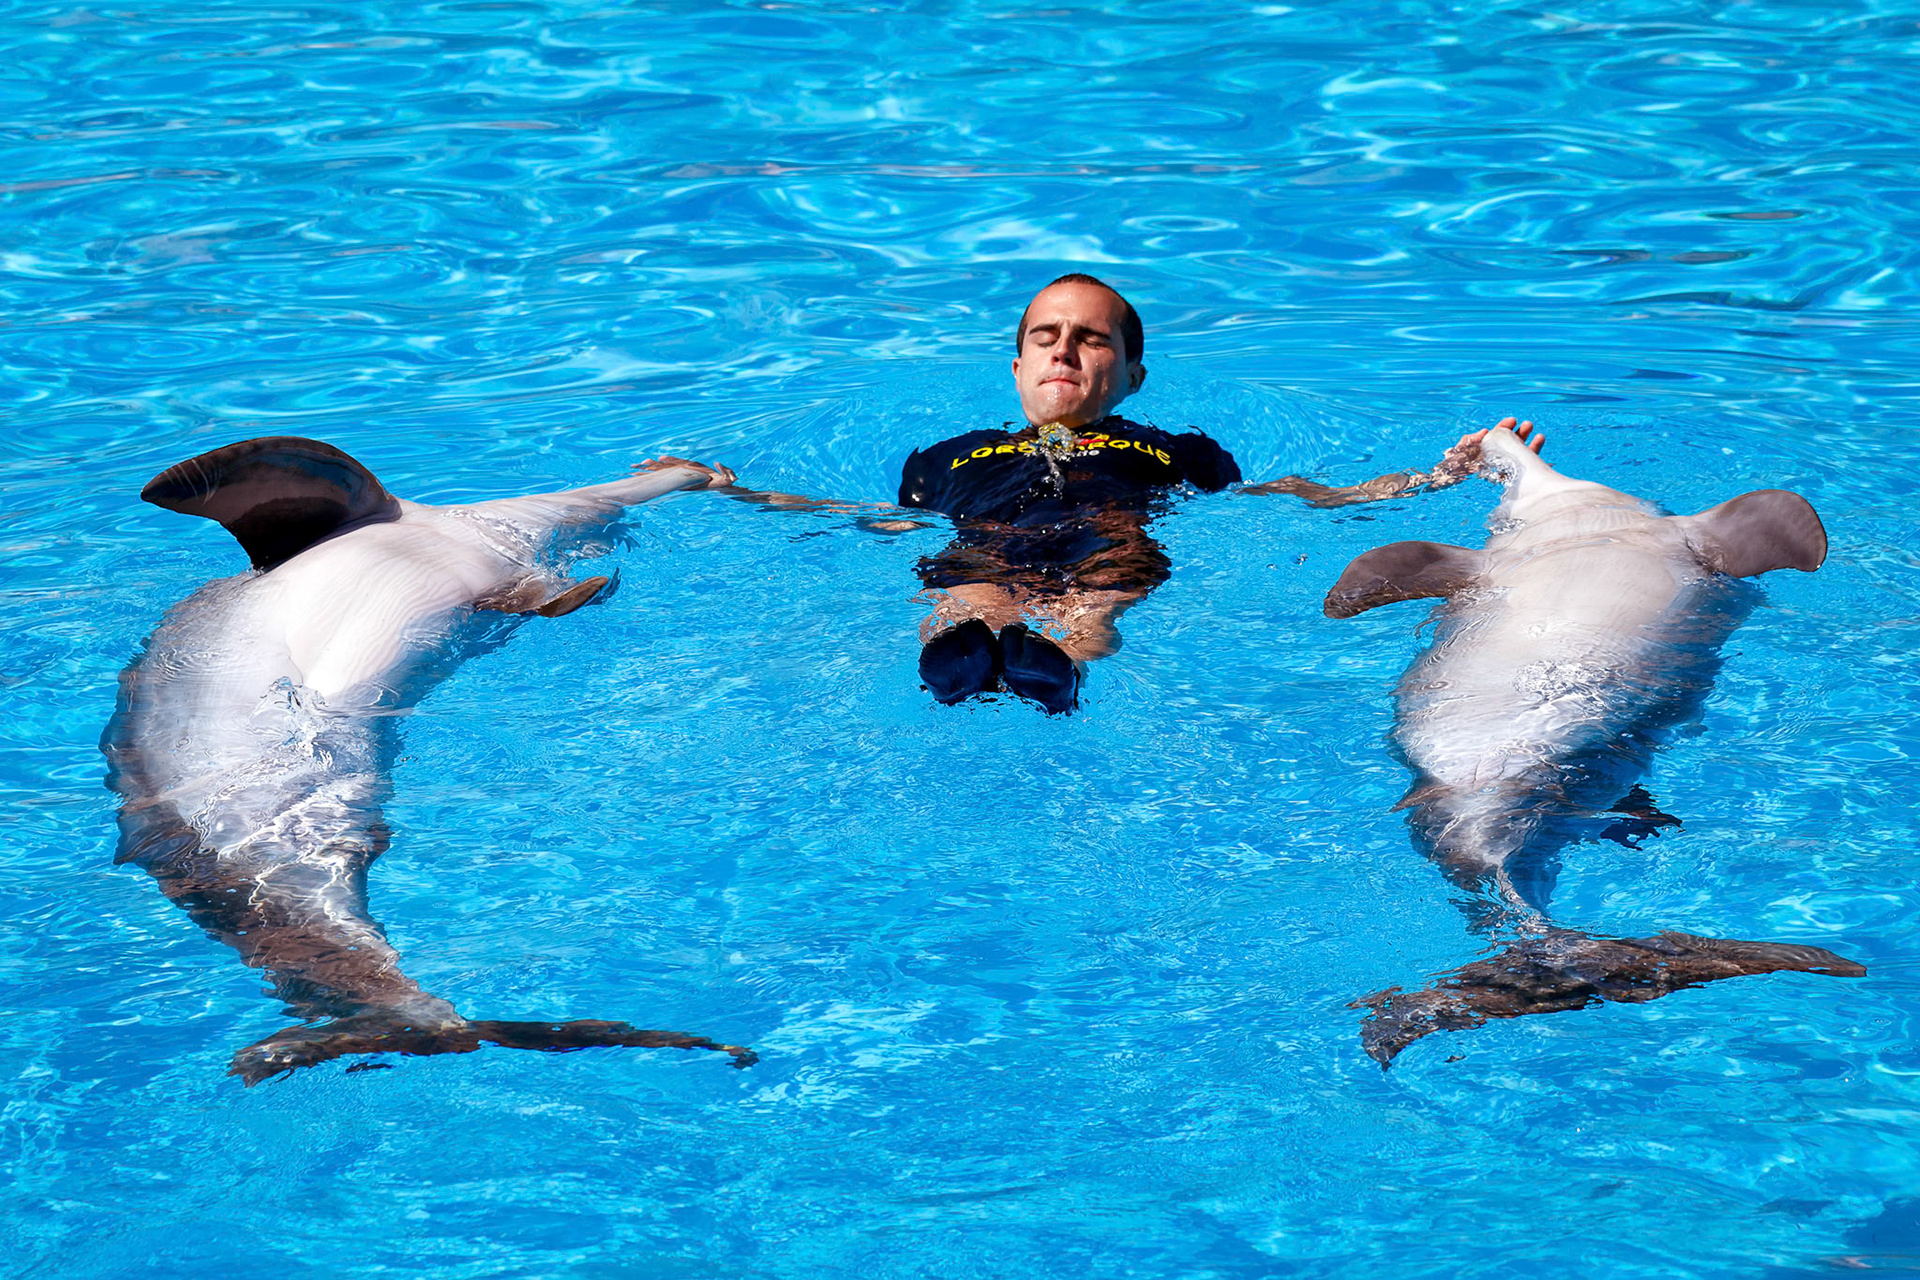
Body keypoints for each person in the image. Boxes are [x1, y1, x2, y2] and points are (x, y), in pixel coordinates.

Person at [705, 273, 1543, 713]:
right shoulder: (951, 455)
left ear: (1131, 373)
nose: (1064, 349)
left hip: (1114, 532)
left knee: (1095, 603)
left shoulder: (1173, 448)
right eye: (1046, 336)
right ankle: (966, 655)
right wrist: (740, 495)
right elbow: (871, 521)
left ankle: (1061, 666)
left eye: (1090, 338)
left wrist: (1439, 477)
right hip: (985, 535)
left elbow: (1295, 495)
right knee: (971, 594)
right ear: (1019, 366)